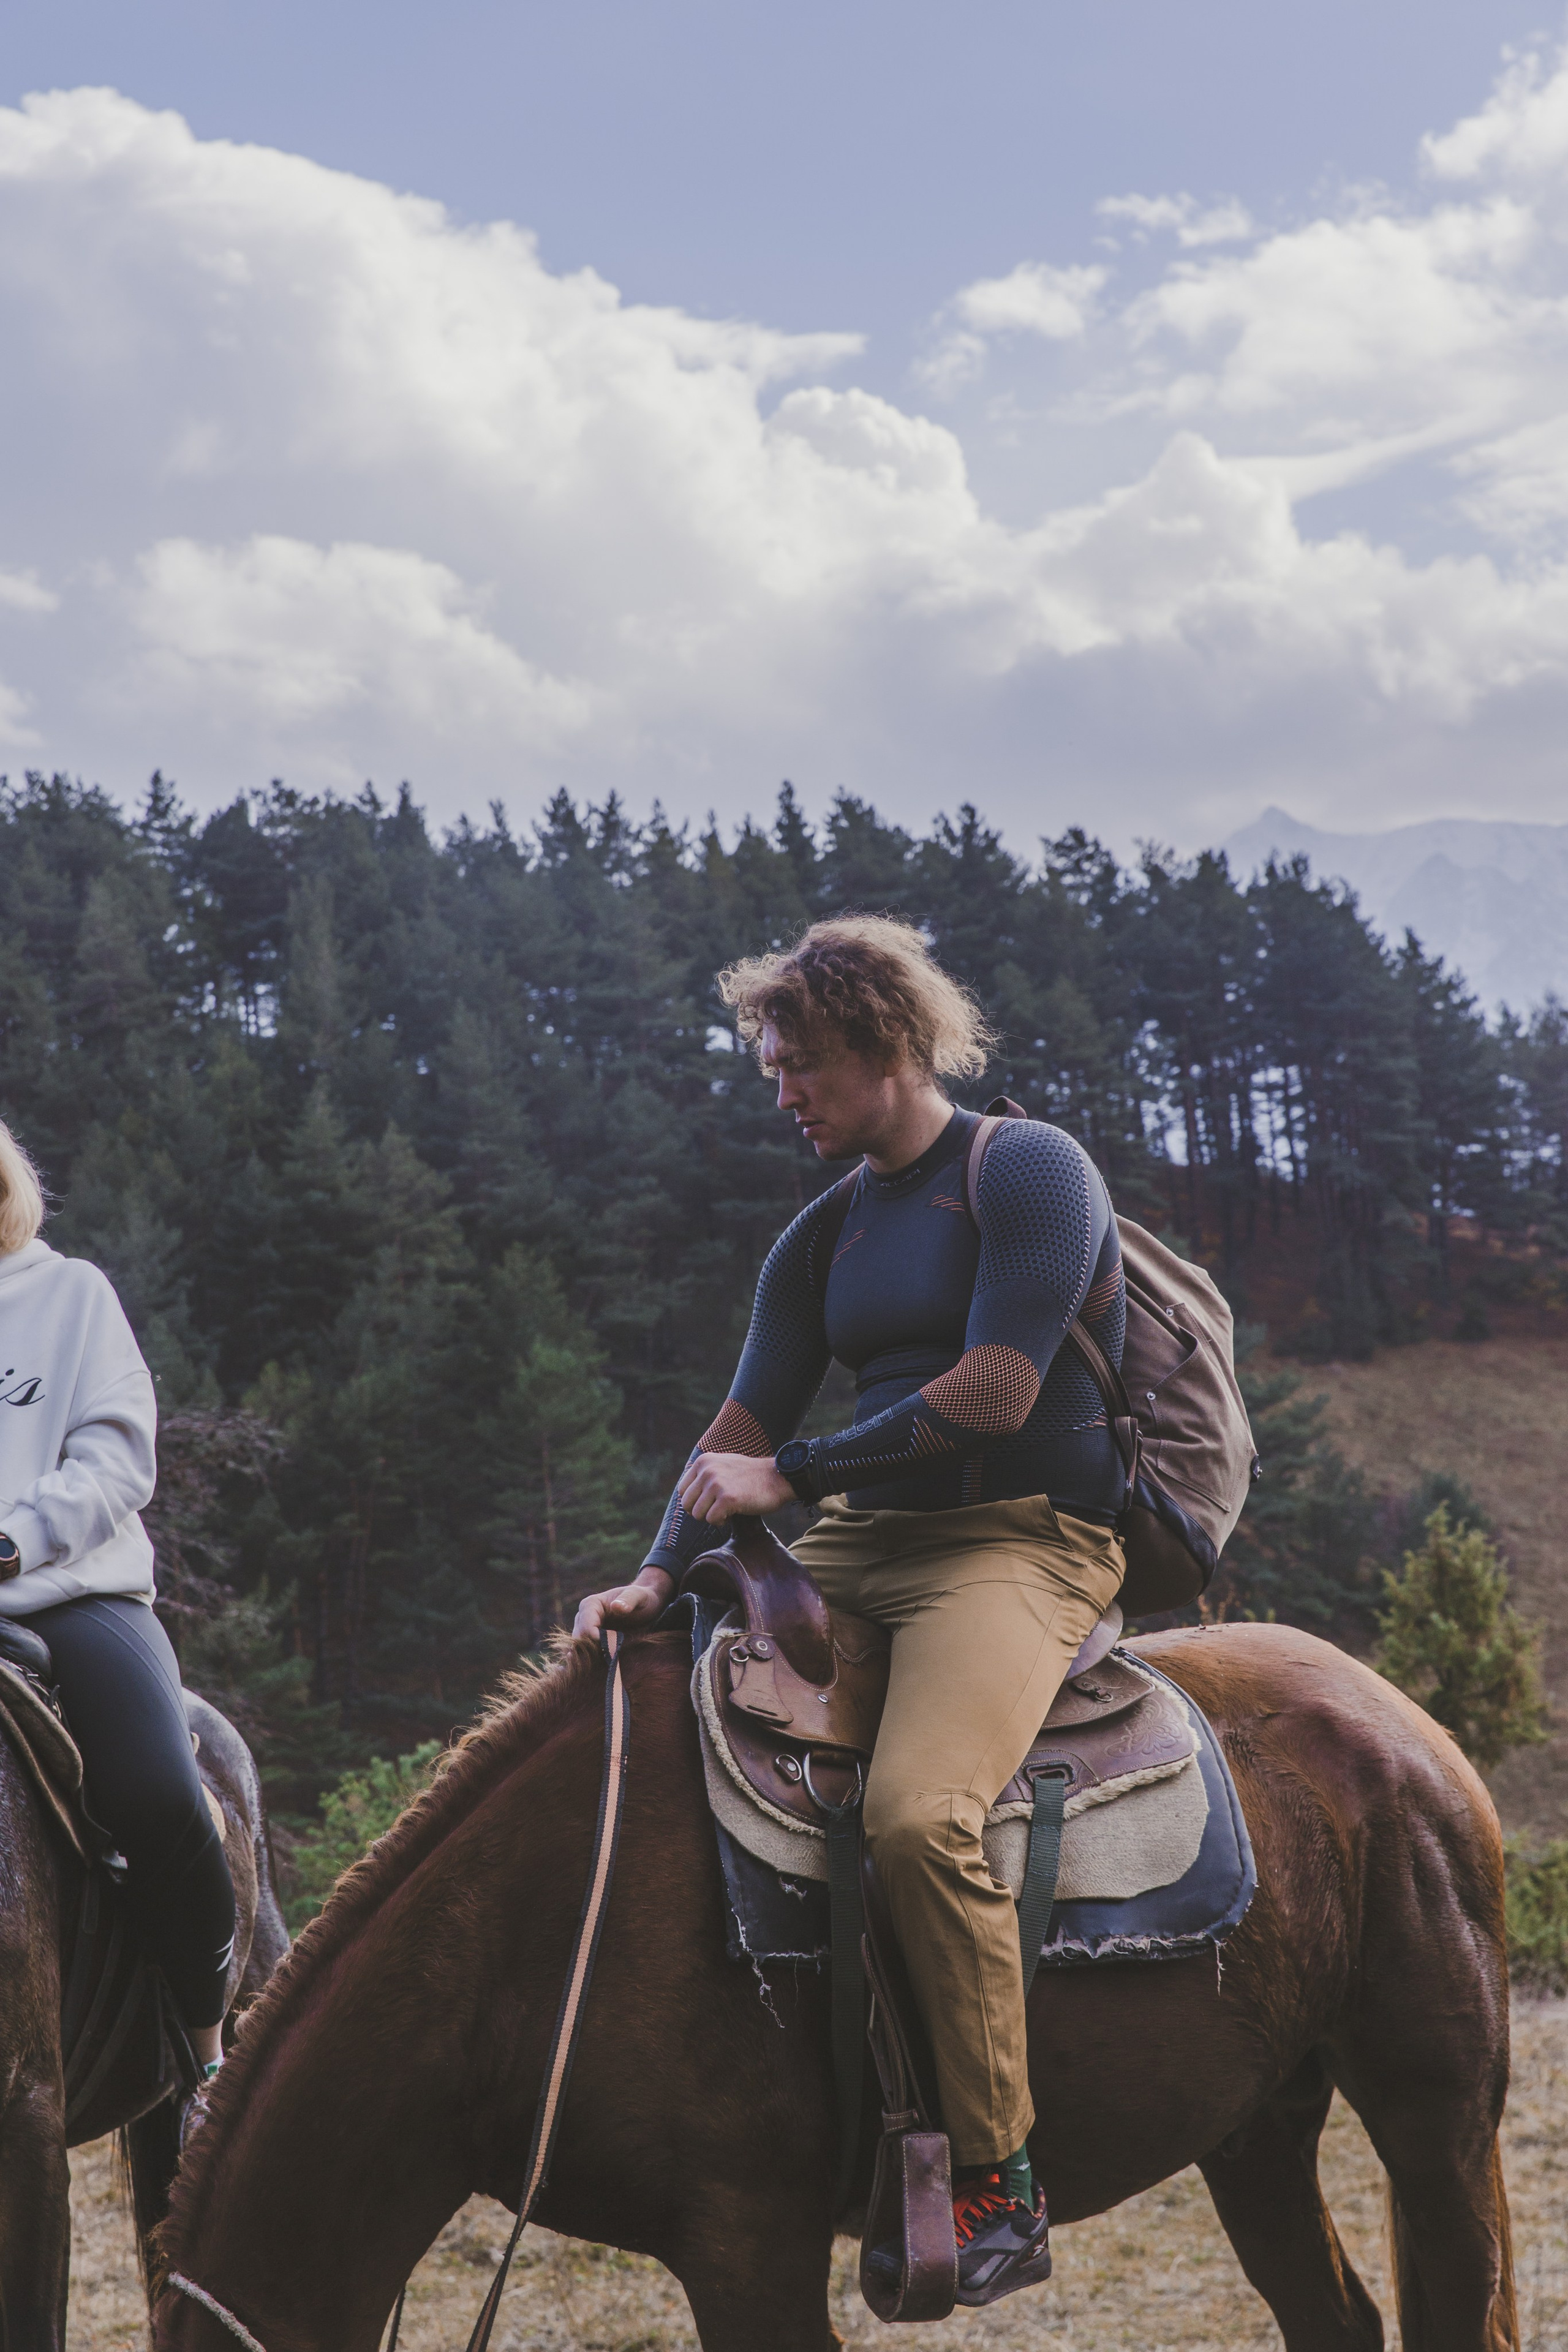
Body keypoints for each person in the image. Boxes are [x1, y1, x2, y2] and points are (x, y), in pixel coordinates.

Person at [575, 916, 1128, 2307]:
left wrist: (796, 1472)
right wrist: (652, 1574)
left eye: (801, 1065)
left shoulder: (1029, 1172)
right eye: (769, 1066)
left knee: (913, 1816)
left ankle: (999, 2171)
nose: (782, 1093)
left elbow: (998, 1389)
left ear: (887, 1047)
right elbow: (738, 1423)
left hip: (1020, 1542)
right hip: (858, 1546)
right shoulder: (822, 1232)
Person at [0, 1118, 236, 2116]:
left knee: (157, 1791)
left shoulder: (68, 1294)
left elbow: (116, 1459)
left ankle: (207, 2044)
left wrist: (10, 1544)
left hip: (71, 1595)